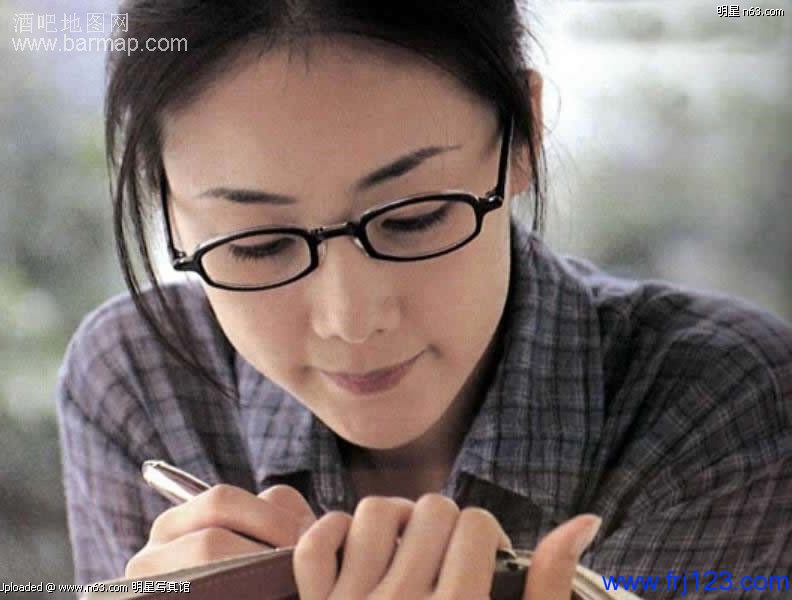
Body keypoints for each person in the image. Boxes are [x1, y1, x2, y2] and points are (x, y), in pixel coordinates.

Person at [55, 2, 792, 598]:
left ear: (523, 135)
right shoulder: (143, 384)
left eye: (414, 219)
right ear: (167, 208)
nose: (351, 320)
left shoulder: (725, 404)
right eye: (258, 244)